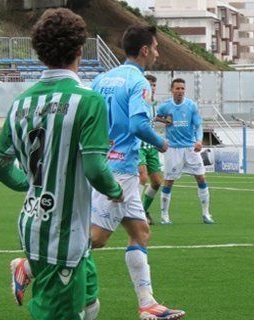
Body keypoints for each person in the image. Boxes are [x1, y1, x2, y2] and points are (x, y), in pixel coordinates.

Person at [0, 8, 121, 319]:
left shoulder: (20, 103)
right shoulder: (88, 101)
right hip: (60, 234)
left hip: (45, 221)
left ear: (39, 53)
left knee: (90, 304)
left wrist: (30, 183)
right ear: (80, 50)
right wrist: (116, 191)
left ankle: (26, 266)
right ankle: (30, 266)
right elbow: (95, 170)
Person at [89, 25, 185, 319]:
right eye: (155, 47)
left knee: (141, 232)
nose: (157, 52)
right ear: (144, 50)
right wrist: (161, 143)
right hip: (120, 170)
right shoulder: (138, 82)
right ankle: (29, 265)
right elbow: (139, 126)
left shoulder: (101, 79)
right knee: (96, 239)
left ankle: (147, 304)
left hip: (107, 162)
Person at [158, 78, 214, 224]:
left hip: (190, 148)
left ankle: (206, 214)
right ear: (172, 90)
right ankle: (164, 216)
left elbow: (198, 125)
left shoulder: (191, 106)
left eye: (182, 88)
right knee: (169, 181)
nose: (180, 91)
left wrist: (199, 141)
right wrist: (165, 121)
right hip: (173, 148)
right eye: (177, 89)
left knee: (201, 178)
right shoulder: (165, 106)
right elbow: (155, 117)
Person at [139, 74, 167, 225]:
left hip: (151, 147)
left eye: (154, 85)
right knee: (142, 177)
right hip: (138, 145)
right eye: (149, 84)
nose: (152, 87)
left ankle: (143, 210)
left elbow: (151, 124)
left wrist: (156, 141)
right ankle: (134, 214)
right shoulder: (138, 101)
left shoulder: (154, 104)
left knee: (156, 182)